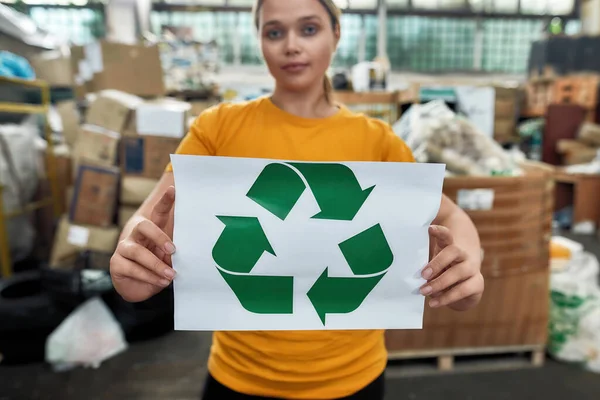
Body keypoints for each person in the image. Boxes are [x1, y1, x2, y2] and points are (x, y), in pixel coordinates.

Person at [109, 0, 484, 399]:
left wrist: (466, 267)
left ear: (336, 33)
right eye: (274, 32)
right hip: (238, 377)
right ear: (260, 41)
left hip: (353, 379)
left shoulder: (379, 142)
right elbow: (150, 217)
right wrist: (131, 253)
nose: (291, 45)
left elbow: (450, 216)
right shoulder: (216, 130)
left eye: (309, 29)